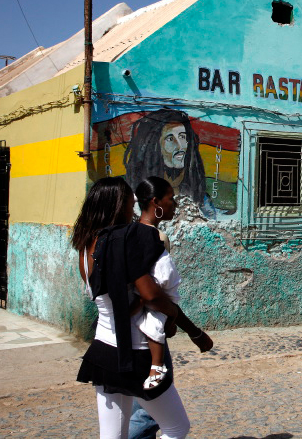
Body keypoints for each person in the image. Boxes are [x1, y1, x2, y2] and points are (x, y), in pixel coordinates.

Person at [72, 177, 212, 438]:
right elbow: (150, 294)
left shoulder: (84, 247)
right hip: (136, 351)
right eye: (128, 204)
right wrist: (174, 315)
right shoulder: (123, 242)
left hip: (102, 348)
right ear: (117, 205)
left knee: (112, 435)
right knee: (176, 427)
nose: (132, 210)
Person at [132, 176, 186, 390]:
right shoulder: (156, 237)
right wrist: (175, 319)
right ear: (156, 202)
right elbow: (153, 293)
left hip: (138, 323)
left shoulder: (131, 232)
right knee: (151, 406)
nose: (174, 204)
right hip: (147, 326)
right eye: (170, 198)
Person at [123, 109, 216, 218]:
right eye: (170, 139)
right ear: (156, 146)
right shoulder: (137, 199)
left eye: (182, 136)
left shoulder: (201, 198)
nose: (180, 146)